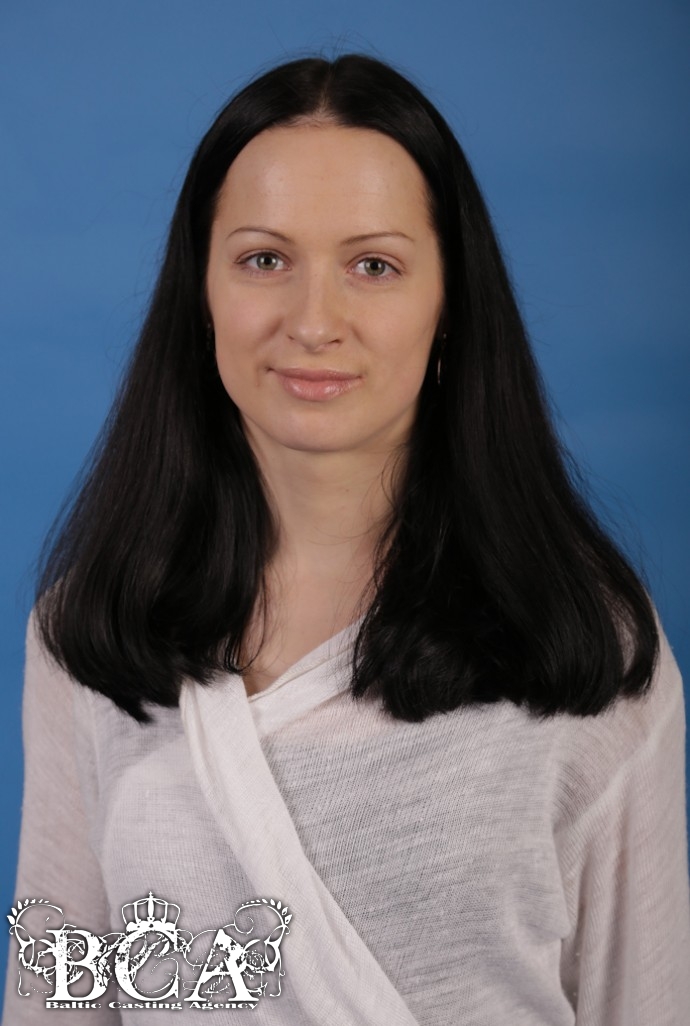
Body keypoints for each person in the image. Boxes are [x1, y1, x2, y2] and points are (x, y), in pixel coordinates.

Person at [4, 52, 689, 1025]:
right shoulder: (90, 629)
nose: (314, 321)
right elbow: (57, 995)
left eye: (374, 266)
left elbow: (648, 1001)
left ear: (449, 305)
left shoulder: (585, 639)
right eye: (264, 260)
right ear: (201, 295)